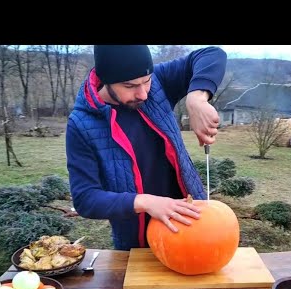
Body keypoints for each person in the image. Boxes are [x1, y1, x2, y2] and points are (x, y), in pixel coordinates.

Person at [65, 45, 227, 251]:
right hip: (137, 245)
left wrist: (197, 98)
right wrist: (145, 202)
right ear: (106, 79)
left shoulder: (158, 82)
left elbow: (212, 54)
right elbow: (85, 199)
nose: (143, 94)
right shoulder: (81, 123)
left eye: (146, 82)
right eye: (130, 86)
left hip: (193, 227)